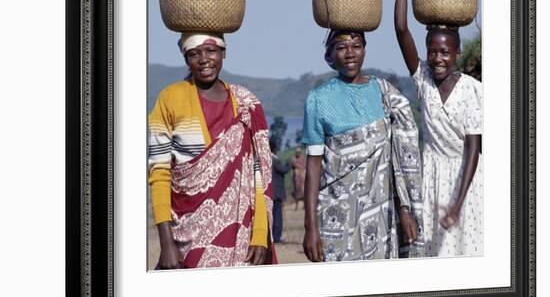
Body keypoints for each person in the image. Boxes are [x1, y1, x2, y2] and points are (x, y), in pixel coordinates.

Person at [148, 32, 276, 268]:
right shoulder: (169, 99)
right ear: (186, 58)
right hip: (185, 234)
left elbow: (259, 172)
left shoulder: (245, 104)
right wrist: (166, 242)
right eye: (194, 53)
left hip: (240, 235)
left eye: (211, 51)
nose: (204, 59)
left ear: (223, 53)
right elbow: (159, 173)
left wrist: (259, 234)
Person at [394, 0, 483, 257]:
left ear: (457, 52)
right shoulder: (424, 82)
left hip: (465, 184)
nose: (437, 58)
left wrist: (458, 204)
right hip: (430, 179)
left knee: (466, 255)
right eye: (432, 51)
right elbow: (401, 27)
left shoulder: (473, 90)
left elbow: (473, 149)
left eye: (445, 52)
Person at [302, 30, 423, 262]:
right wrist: (310, 227)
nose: (350, 54)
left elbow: (398, 158)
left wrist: (405, 209)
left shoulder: (382, 93)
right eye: (341, 48)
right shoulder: (317, 100)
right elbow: (313, 167)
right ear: (329, 56)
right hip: (335, 214)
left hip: (380, 214)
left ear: (365, 50)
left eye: (356, 46)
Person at [270, 139, 290, 243]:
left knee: (271, 215)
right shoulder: (274, 160)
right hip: (276, 193)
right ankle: (276, 237)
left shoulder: (266, 159)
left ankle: (272, 237)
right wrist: (288, 164)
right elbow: (283, 170)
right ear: (275, 149)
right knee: (277, 215)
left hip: (269, 192)